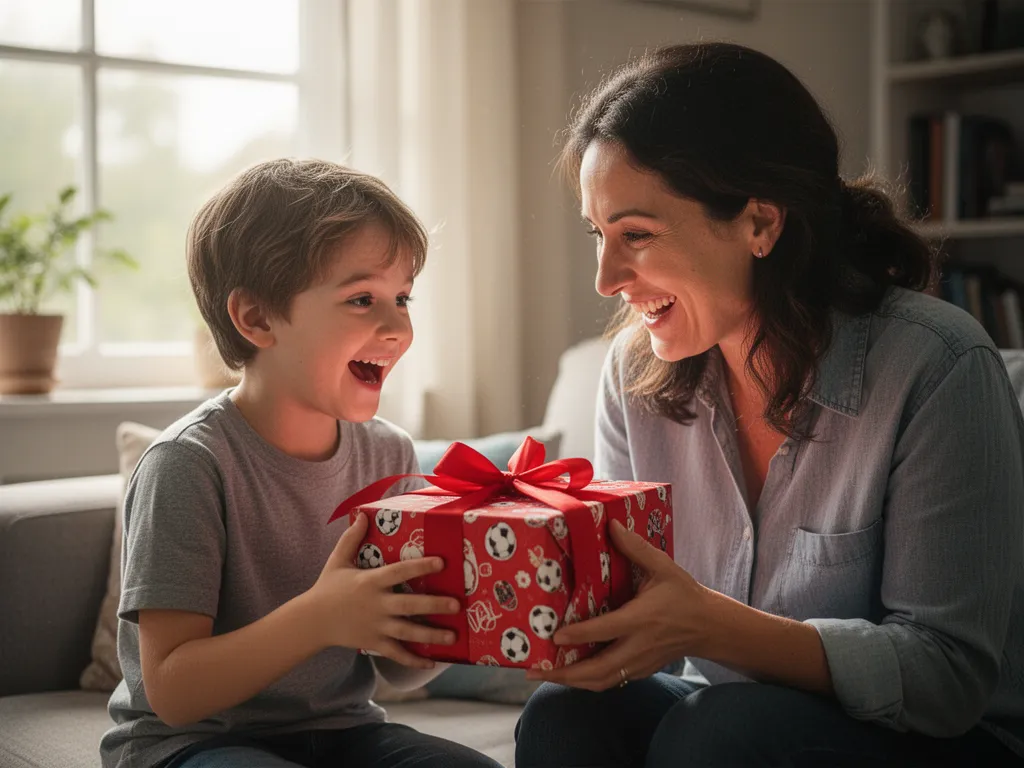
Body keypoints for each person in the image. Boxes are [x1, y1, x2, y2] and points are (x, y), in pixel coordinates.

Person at [515, 42, 1024, 767]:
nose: (605, 278)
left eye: (636, 234)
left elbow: (946, 679)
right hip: (729, 719)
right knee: (568, 715)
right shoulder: (632, 375)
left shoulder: (938, 365)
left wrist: (710, 627)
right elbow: (637, 621)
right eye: (598, 235)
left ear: (760, 223)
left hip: (938, 739)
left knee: (720, 732)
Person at [100, 159, 501, 768]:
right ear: (256, 318)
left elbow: (398, 670)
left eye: (402, 298)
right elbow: (174, 691)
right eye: (363, 299)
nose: (397, 328)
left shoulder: (389, 455)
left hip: (342, 733)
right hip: (193, 744)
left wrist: (432, 633)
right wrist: (320, 618)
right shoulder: (188, 465)